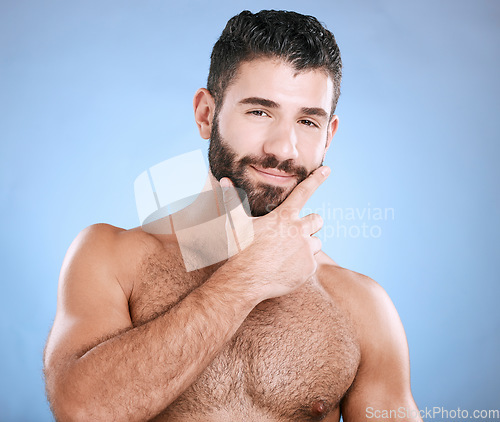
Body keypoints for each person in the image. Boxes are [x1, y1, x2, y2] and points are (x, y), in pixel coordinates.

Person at [44, 9, 422, 422]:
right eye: (260, 112)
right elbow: (83, 411)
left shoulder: (361, 304)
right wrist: (245, 279)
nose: (284, 148)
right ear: (206, 114)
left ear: (328, 135)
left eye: (307, 121)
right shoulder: (112, 257)